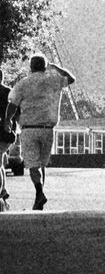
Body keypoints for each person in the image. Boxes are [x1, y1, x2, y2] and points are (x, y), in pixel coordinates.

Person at [7, 52, 75, 210]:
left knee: (33, 165)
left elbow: (13, 104)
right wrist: (56, 67)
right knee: (41, 164)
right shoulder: (54, 80)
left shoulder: (23, 83)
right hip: (47, 129)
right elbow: (71, 78)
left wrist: (7, 120)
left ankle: (39, 192)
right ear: (45, 66)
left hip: (29, 129)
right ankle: (40, 195)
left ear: (30, 67)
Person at [0, 67, 17, 210]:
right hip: (8, 134)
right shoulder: (10, 92)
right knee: (0, 162)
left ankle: (1, 193)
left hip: (1, 132)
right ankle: (3, 191)